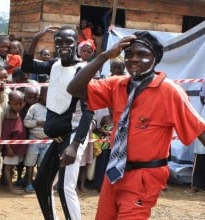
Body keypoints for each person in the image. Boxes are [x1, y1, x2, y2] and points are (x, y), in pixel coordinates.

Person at [67, 31, 205, 219]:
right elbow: (74, 88)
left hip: (144, 176)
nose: (134, 59)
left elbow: (200, 130)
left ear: (155, 59)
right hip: (114, 172)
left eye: (142, 55)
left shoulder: (169, 92)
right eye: (129, 54)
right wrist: (104, 56)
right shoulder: (117, 85)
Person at [21, 26, 94, 220]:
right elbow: (27, 66)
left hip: (73, 137)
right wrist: (37, 37)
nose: (63, 46)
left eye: (68, 42)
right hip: (59, 137)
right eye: (59, 42)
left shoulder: (82, 70)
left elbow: (88, 112)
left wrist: (75, 144)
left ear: (76, 44)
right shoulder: (54, 64)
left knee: (64, 187)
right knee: (42, 184)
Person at [23, 86, 50, 193]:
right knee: (30, 163)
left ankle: (39, 183)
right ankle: (29, 183)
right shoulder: (34, 107)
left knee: (42, 164)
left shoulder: (53, 108)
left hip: (47, 140)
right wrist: (38, 123)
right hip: (34, 139)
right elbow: (26, 122)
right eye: (47, 95)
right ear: (41, 96)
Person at [1, 90, 27, 195]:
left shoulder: (17, 113)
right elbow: (5, 136)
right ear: (9, 103)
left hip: (18, 148)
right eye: (15, 104)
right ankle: (10, 188)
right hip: (11, 149)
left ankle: (8, 184)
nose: (19, 106)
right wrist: (8, 149)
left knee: (11, 167)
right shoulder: (9, 117)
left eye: (21, 103)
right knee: (8, 167)